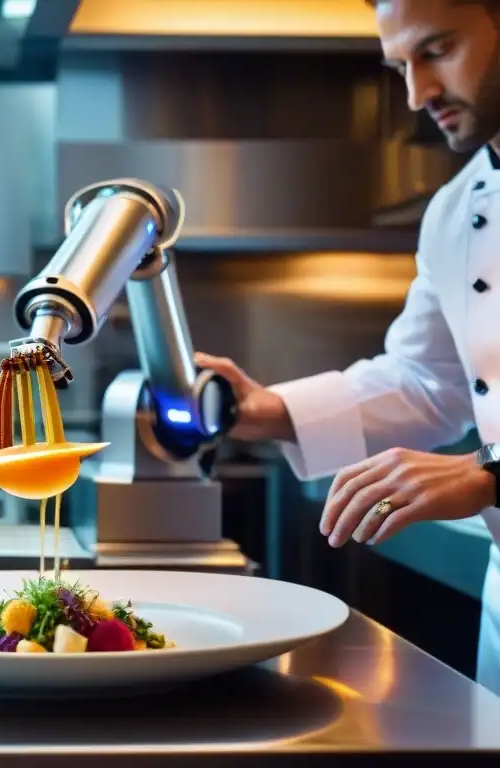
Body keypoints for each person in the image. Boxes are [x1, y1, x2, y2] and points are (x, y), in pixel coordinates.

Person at [196, 0, 500, 696]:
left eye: (438, 49)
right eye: (400, 67)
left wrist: (489, 473)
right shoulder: (457, 210)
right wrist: (264, 409)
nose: (418, 94)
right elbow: (427, 378)